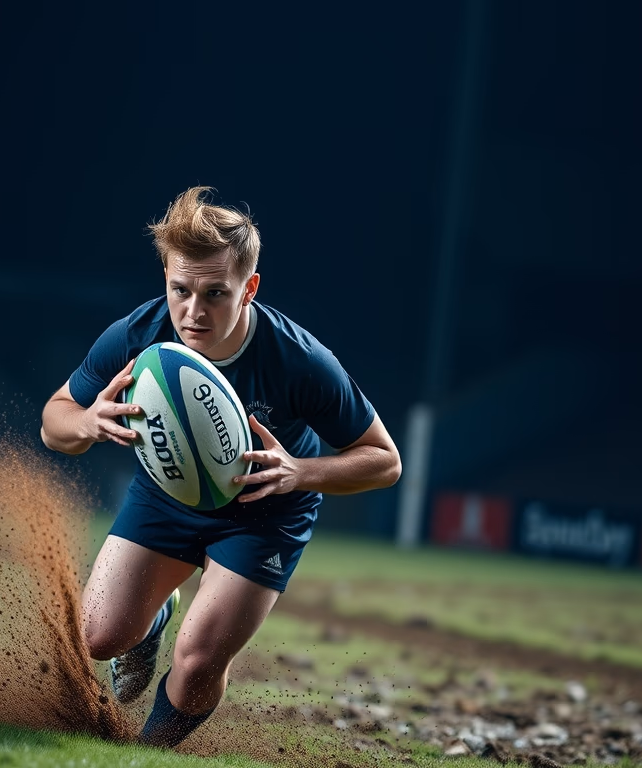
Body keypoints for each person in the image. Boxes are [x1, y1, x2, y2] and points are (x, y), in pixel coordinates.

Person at [39, 186, 401, 748]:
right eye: (179, 289)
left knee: (200, 659)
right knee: (98, 636)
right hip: (169, 494)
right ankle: (153, 622)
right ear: (165, 275)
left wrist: (300, 471)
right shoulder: (138, 334)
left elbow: (385, 461)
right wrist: (86, 422)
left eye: (215, 293)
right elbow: (52, 422)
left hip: (266, 509)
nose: (193, 311)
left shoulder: (300, 361)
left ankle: (146, 756)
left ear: (249, 288)